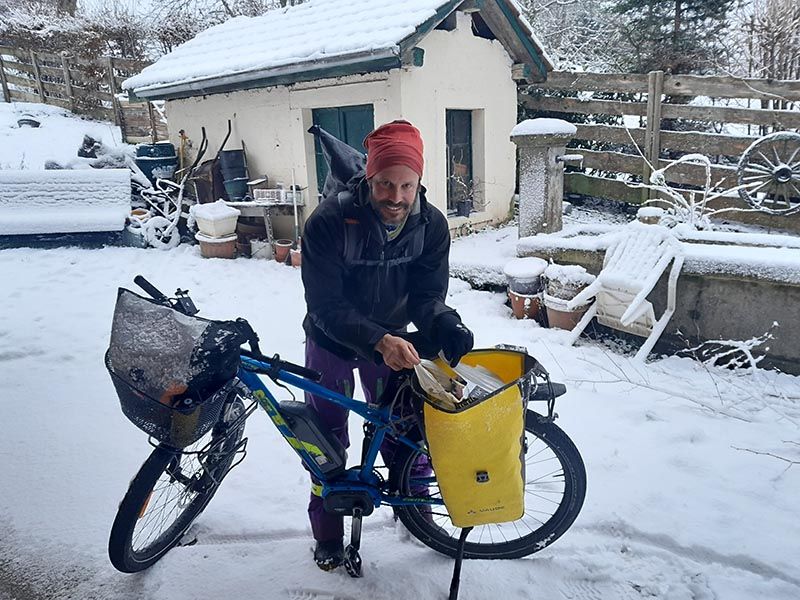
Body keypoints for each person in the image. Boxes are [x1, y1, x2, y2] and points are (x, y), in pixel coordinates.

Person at [300, 120, 474, 570]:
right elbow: (325, 304)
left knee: (404, 430)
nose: (395, 197)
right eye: (385, 184)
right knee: (325, 440)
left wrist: (445, 321)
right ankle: (327, 533)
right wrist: (377, 340)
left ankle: (415, 515)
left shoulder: (430, 225)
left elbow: (426, 295)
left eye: (406, 185)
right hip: (332, 342)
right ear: (369, 177)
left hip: (395, 339)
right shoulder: (329, 222)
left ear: (419, 182)